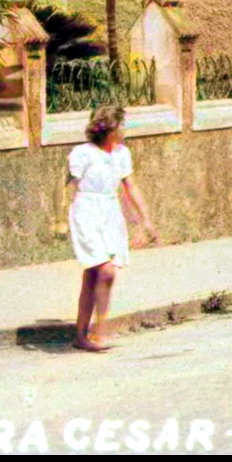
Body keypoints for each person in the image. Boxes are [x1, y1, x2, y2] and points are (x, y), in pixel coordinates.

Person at [69, 104, 158, 353]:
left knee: (94, 274)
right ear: (109, 128)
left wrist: (145, 220)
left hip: (110, 213)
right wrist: (59, 218)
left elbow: (131, 186)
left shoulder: (121, 154)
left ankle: (84, 334)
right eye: (121, 125)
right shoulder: (83, 153)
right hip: (86, 212)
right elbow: (66, 184)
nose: (124, 130)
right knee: (105, 271)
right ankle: (97, 331)